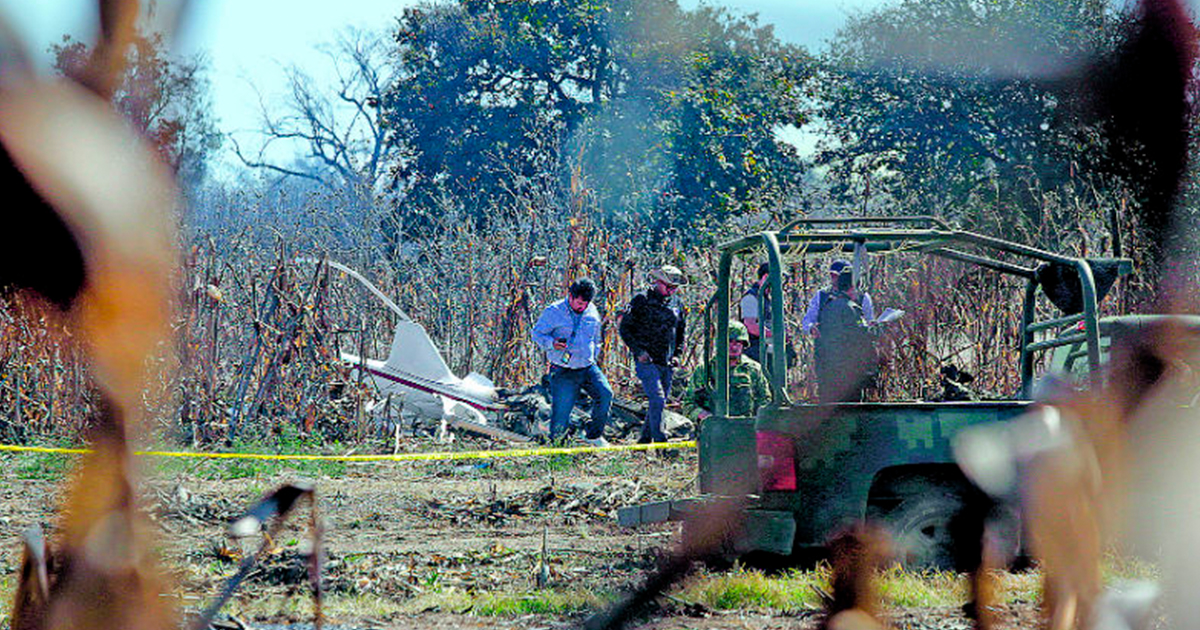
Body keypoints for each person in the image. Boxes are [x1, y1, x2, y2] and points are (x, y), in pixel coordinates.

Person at [531, 277, 613, 446]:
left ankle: (592, 436)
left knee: (605, 394)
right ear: (570, 296)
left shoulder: (592, 311)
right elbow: (537, 334)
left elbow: (596, 338)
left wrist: (593, 355)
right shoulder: (554, 311)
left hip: (588, 367)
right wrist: (552, 344)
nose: (582, 306)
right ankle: (558, 449)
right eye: (579, 302)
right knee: (561, 415)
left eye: (586, 303)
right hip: (563, 371)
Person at [619, 264, 687, 444]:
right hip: (647, 360)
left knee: (660, 402)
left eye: (675, 287)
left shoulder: (677, 304)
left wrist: (678, 355)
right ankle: (661, 442)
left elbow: (680, 332)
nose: (671, 290)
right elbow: (625, 329)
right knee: (657, 398)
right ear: (658, 282)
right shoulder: (641, 300)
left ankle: (644, 441)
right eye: (668, 286)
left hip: (667, 362)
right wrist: (638, 351)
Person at [682, 321, 770, 422]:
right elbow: (688, 405)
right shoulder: (705, 370)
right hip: (714, 431)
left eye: (738, 342)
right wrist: (705, 416)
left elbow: (765, 401)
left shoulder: (753, 369)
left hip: (746, 429)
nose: (734, 347)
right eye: (729, 341)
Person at [812, 269, 878, 403]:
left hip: (828, 371)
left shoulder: (827, 306)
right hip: (848, 372)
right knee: (850, 410)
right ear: (852, 287)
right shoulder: (852, 308)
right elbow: (860, 336)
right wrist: (874, 328)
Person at [802, 259, 875, 338]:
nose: (833, 278)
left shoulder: (862, 297)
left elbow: (869, 321)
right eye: (832, 275)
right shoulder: (822, 295)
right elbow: (807, 320)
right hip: (827, 344)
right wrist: (811, 328)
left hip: (854, 344)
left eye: (836, 275)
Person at [739, 263, 770, 362]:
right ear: (766, 276)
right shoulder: (751, 298)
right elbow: (751, 326)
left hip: (766, 351)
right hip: (755, 353)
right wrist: (776, 334)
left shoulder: (767, 298)